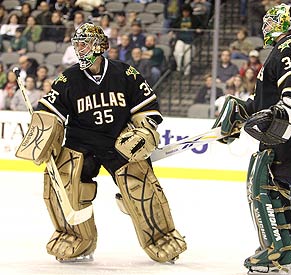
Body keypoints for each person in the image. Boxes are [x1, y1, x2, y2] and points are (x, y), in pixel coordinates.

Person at [15, 22, 186, 263]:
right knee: (62, 183)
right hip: (81, 143)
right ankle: (76, 237)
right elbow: (49, 115)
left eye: (84, 44)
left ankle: (161, 237)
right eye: (77, 45)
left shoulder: (125, 73)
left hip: (118, 141)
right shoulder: (68, 79)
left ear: (99, 45)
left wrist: (144, 131)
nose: (80, 49)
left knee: (140, 186)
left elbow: (147, 109)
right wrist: (42, 139)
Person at [212, 4, 291, 274]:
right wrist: (241, 112)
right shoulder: (282, 50)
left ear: (285, 23)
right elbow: (266, 102)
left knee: (263, 184)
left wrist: (281, 124)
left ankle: (277, 251)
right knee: (275, 188)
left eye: (272, 21)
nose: (266, 26)